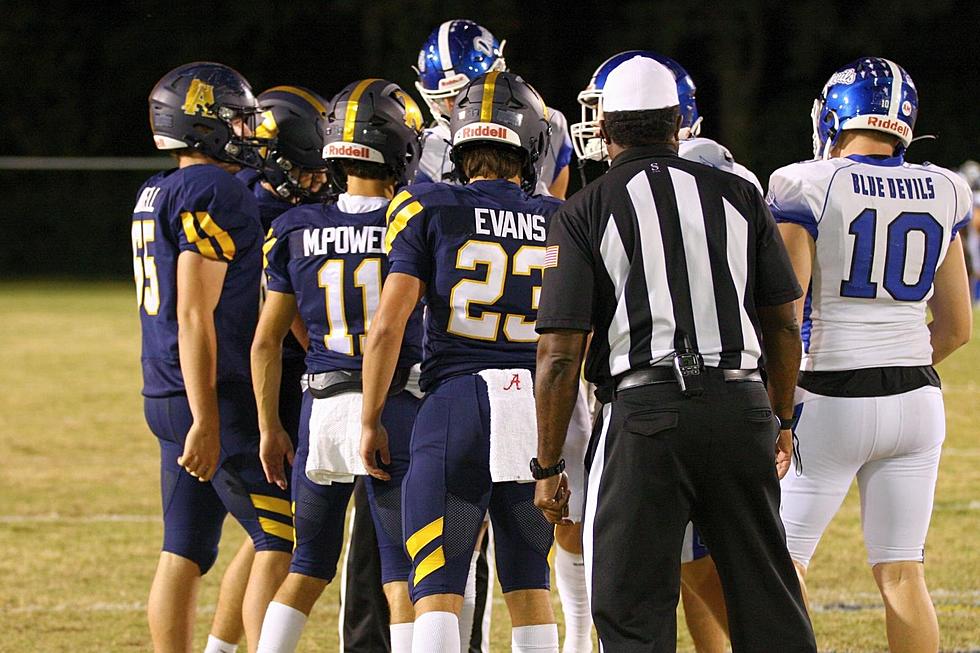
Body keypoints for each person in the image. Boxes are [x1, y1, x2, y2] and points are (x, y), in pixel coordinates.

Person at [531, 55, 817, 652]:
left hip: (645, 414)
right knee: (768, 600)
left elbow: (560, 354)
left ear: (606, 126)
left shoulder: (585, 208)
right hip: (740, 406)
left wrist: (549, 465)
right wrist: (781, 417)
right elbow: (783, 327)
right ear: (675, 123)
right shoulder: (737, 193)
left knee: (632, 611)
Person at [769, 57, 973, 653]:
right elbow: (957, 326)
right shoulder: (947, 187)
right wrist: (899, 356)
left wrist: (781, 405)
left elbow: (789, 313)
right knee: (904, 572)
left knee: (782, 569)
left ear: (835, 116)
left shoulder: (803, 183)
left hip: (829, 395)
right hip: (917, 397)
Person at [569, 48, 766, 652]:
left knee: (643, 584)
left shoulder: (692, 175)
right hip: (737, 398)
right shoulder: (726, 183)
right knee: (720, 570)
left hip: (656, 398)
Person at [360, 71, 562, 653]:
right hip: (533, 409)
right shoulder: (558, 217)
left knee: (438, 585)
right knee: (529, 584)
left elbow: (389, 325)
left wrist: (372, 417)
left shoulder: (429, 204)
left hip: (457, 405)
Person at [253, 78, 425, 653]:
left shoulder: (292, 228)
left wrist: (269, 428)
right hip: (393, 404)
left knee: (307, 566)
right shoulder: (415, 220)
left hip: (320, 405)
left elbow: (267, 341)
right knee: (402, 573)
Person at [135, 61, 294, 653]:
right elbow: (194, 313)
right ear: (201, 124)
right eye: (235, 119)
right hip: (208, 394)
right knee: (285, 534)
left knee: (183, 548)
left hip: (166, 387)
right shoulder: (214, 189)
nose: (247, 131)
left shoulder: (159, 188)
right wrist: (206, 417)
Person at [206, 85, 330, 653]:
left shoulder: (249, 199)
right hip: (256, 384)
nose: (315, 179)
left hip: (257, 381)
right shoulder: (260, 214)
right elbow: (288, 323)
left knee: (264, 536)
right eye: (305, 169)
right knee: (279, 540)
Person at [414, 18, 573, 199]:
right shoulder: (424, 149)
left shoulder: (548, 123)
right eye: (444, 99)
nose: (453, 107)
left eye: (465, 96)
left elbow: (558, 210)